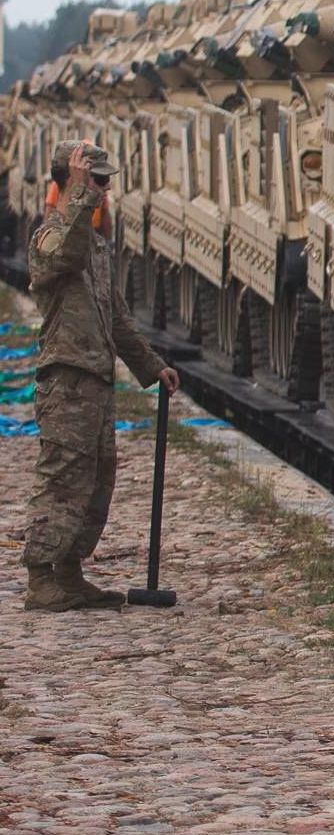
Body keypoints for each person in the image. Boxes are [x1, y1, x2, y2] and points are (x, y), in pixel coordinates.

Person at [24, 141, 180, 612]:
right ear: (71, 183)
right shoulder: (51, 237)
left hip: (96, 383)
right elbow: (59, 260)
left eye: (105, 184)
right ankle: (40, 578)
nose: (104, 192)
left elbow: (115, 317)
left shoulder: (94, 248)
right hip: (67, 381)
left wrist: (153, 366)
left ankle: (69, 574)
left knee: (96, 484)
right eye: (97, 182)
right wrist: (77, 192)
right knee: (63, 481)